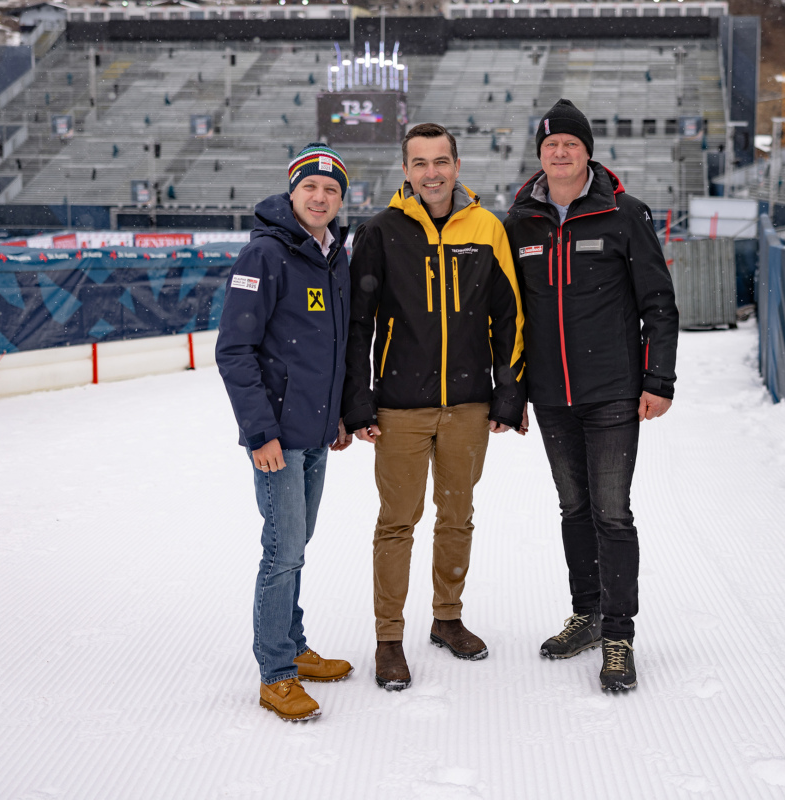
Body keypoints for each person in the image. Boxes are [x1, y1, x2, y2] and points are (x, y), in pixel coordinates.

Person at [342, 122, 525, 691]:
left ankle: (447, 618)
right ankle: (389, 638)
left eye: (440, 161)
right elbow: (358, 325)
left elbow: (509, 316)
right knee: (397, 523)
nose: (432, 173)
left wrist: (508, 393)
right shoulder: (381, 232)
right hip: (400, 407)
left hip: (468, 405)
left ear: (457, 164)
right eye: (419, 163)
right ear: (405, 171)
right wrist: (359, 402)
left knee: (457, 517)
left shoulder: (487, 228)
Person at [504, 99, 679, 692]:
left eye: (570, 144)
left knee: (612, 513)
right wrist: (514, 393)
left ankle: (619, 636)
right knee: (573, 510)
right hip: (552, 396)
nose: (560, 153)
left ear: (587, 151)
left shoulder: (625, 215)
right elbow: (510, 317)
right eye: (550, 145)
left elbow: (659, 303)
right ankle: (586, 614)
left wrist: (659, 379)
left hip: (612, 393)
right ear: (540, 154)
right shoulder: (519, 222)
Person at [216, 143, 355, 722]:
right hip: (278, 439)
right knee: (282, 552)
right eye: (310, 188)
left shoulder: (333, 256)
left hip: (316, 433)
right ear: (291, 191)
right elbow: (235, 351)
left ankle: (293, 648)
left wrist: (337, 416)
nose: (320, 198)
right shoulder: (264, 256)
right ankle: (276, 672)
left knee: (296, 549)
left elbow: (333, 349)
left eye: (332, 191)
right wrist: (260, 435)